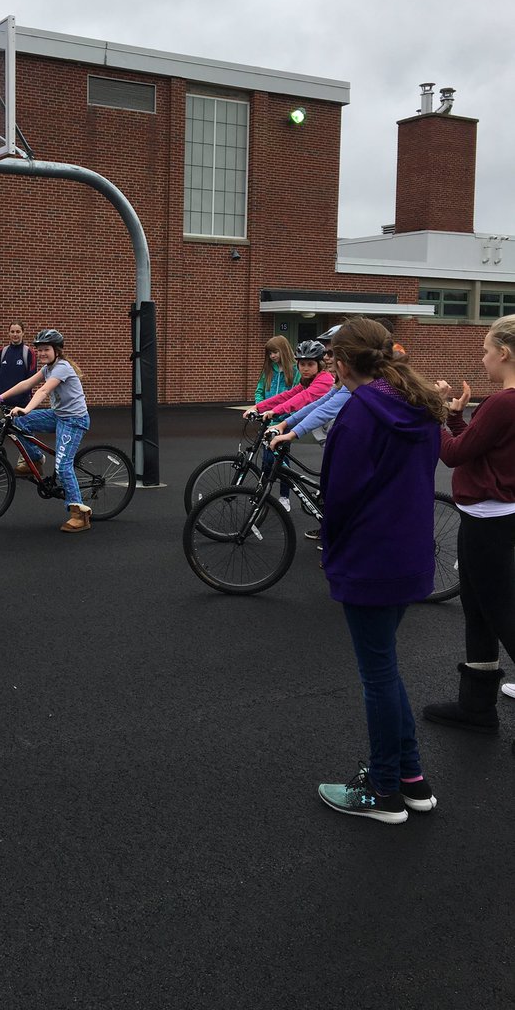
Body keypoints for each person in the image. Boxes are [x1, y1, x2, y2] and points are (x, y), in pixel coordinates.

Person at [315, 317, 446, 823]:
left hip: (369, 560)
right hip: (409, 555)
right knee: (385, 669)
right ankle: (409, 779)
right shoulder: (420, 407)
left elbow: (340, 498)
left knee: (378, 675)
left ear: (344, 363)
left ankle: (384, 789)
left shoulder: (358, 415)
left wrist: (333, 551)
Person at [423, 314, 515, 745]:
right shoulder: (503, 405)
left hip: (490, 523)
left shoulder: (504, 402)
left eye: (484, 350)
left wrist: (436, 417)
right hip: (492, 517)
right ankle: (476, 707)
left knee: (500, 614)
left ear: (505, 352)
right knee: (479, 610)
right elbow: (481, 449)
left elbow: (456, 455)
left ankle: (477, 708)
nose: (482, 360)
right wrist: (457, 418)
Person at [0, 329, 92, 533]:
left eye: (46, 349)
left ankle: (80, 515)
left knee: (63, 467)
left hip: (74, 420)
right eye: (39, 350)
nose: (42, 353)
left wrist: (26, 408)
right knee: (19, 423)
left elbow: (44, 390)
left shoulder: (62, 367)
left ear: (57, 351)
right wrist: (0, 398)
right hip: (58, 415)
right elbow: (26, 384)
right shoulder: (47, 368)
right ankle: (34, 460)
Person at [244, 340, 333, 511]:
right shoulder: (308, 381)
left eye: (310, 364)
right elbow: (288, 395)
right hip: (328, 433)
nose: (305, 368)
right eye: (302, 364)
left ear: (320, 365)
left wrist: (275, 413)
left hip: (339, 433)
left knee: (334, 481)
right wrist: (259, 407)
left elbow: (302, 399)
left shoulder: (324, 381)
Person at [0, 322, 37, 409]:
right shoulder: (2, 352)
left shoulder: (28, 353)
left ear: (23, 333)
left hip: (21, 405)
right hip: (2, 403)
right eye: (12, 332)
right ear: (9, 333)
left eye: (18, 331)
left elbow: (32, 378)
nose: (15, 334)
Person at [254, 336, 298, 403]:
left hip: (287, 412)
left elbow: (298, 395)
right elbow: (259, 391)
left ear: (284, 350)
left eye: (275, 352)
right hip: (266, 411)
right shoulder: (268, 369)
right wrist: (260, 406)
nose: (272, 356)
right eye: (270, 353)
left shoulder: (296, 370)